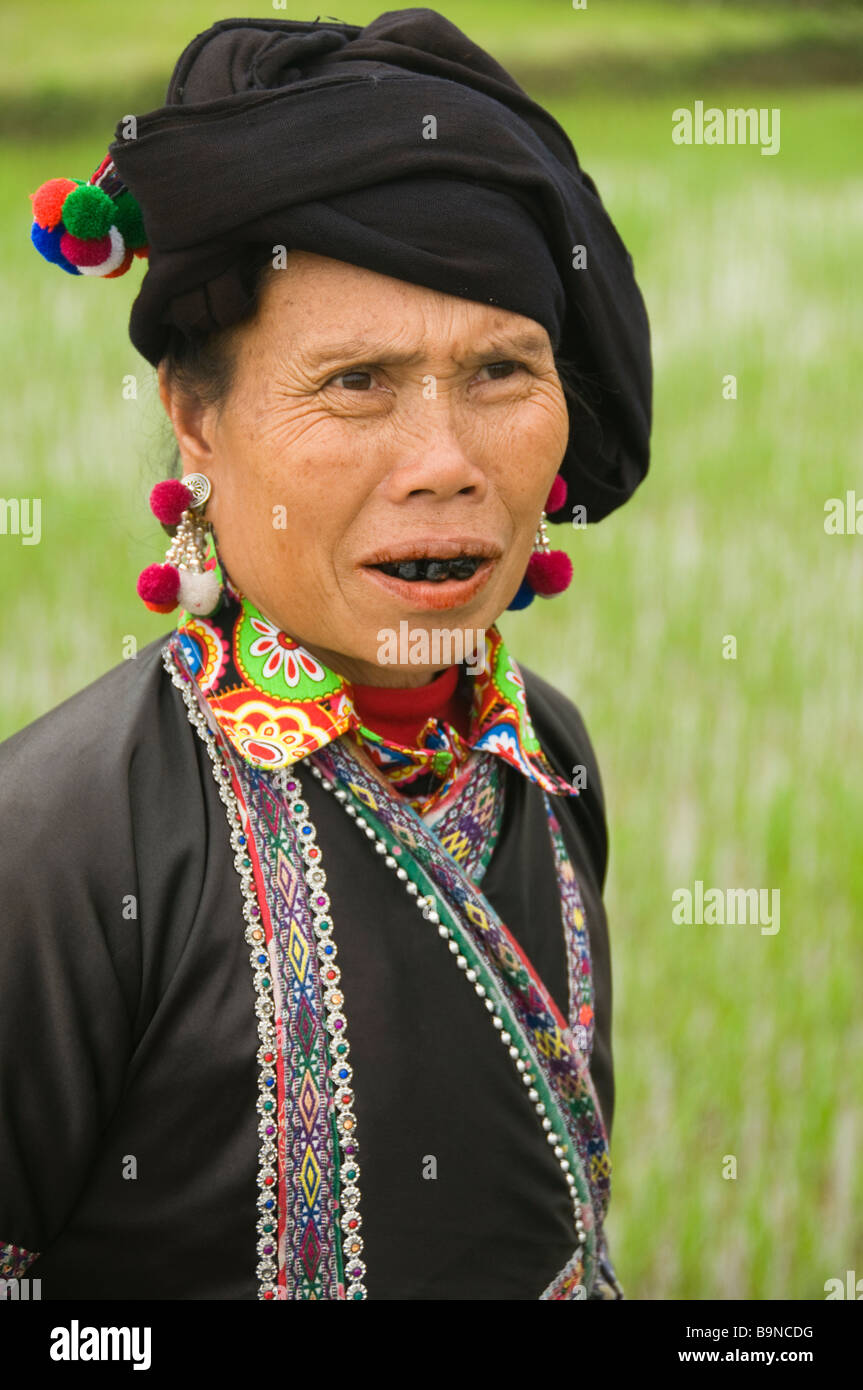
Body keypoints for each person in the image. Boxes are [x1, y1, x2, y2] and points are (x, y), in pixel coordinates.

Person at [2, 9, 651, 1301]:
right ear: (197, 416)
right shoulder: (57, 840)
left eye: (503, 369)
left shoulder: (551, 759)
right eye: (356, 380)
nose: (447, 463)